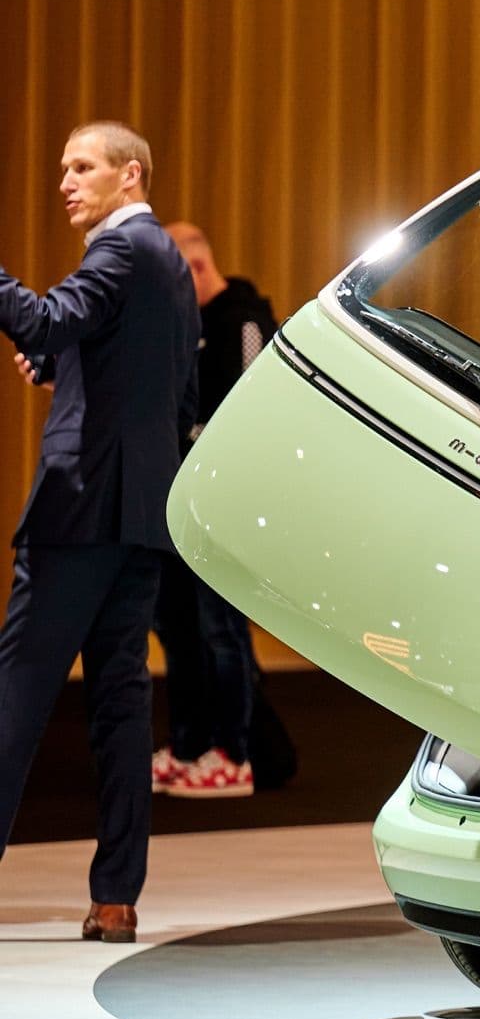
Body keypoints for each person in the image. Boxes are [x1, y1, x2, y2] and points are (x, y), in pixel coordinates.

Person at [0, 122, 199, 943]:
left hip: (80, 507)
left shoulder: (120, 247)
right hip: (142, 515)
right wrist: (65, 366)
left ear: (131, 175)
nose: (66, 182)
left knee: (18, 691)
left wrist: (47, 341)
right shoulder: (170, 262)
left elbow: (48, 321)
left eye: (82, 167)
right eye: (63, 168)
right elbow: (165, 388)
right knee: (121, 706)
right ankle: (115, 897)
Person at [147, 223, 296, 797]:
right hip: (181, 500)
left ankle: (236, 754)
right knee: (178, 626)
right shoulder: (186, 325)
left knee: (220, 629)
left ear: (196, 268)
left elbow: (254, 408)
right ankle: (192, 746)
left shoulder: (245, 320)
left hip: (226, 503)